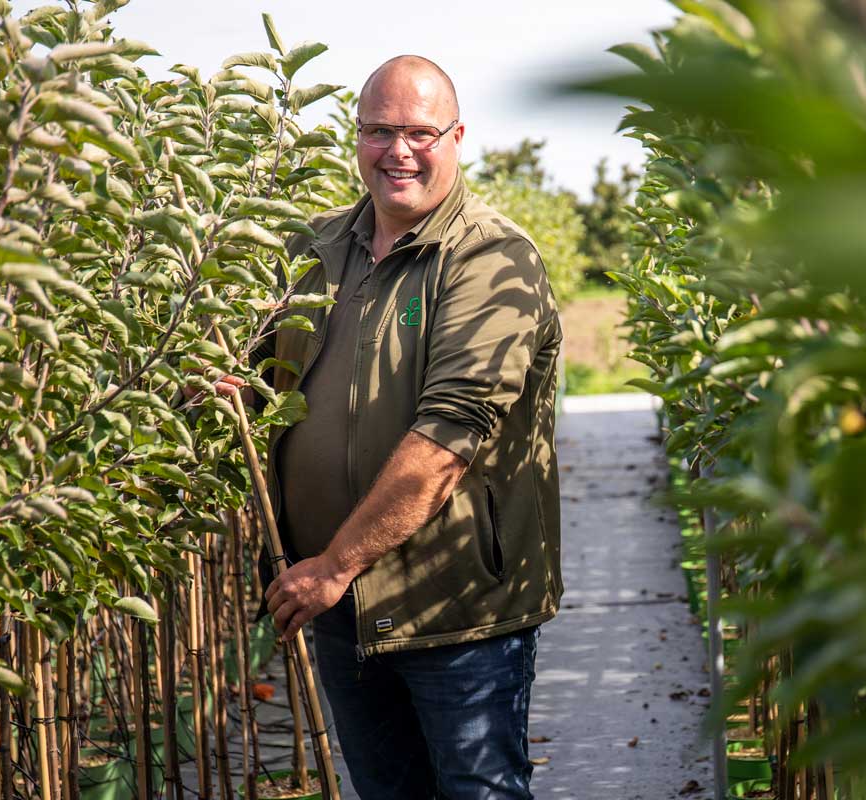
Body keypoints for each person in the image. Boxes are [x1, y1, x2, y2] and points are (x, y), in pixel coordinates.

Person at [240, 55, 563, 799]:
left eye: (419, 132)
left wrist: (333, 564)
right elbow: (261, 378)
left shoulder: (489, 258)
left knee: (476, 790)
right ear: (356, 139)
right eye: (379, 131)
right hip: (339, 606)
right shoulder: (315, 251)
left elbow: (451, 436)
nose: (399, 151)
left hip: (455, 609)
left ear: (456, 138)